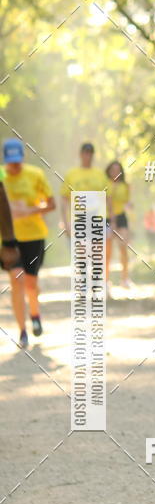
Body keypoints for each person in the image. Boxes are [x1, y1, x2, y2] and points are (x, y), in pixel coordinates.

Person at [1, 138, 56, 348]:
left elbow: (51, 204)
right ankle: (22, 331)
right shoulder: (1, 175)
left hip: (34, 235)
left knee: (31, 283)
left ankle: (35, 314)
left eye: (18, 160)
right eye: (10, 161)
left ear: (23, 157)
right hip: (8, 238)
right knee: (17, 279)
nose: (15, 165)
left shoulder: (35, 175)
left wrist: (29, 210)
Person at [60, 142, 109, 237]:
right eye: (86, 152)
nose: (88, 155)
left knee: (96, 251)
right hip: (79, 219)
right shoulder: (71, 174)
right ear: (80, 154)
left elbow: (107, 199)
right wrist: (65, 223)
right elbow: (64, 199)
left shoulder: (100, 174)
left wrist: (111, 221)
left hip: (97, 219)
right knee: (82, 250)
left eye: (91, 153)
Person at [106, 160, 132, 288]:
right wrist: (112, 221)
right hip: (108, 218)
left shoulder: (125, 186)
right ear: (109, 171)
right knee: (108, 252)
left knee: (123, 248)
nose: (115, 172)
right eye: (113, 170)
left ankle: (125, 279)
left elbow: (126, 202)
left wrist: (130, 206)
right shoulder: (107, 185)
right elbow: (108, 203)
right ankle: (106, 281)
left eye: (117, 169)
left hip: (122, 218)